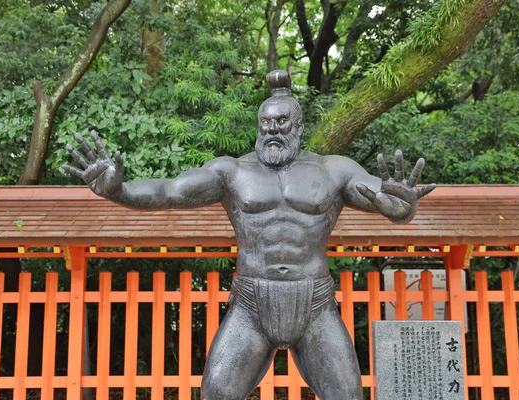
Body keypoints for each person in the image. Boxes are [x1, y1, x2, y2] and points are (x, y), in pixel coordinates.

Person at [63, 70, 435, 400]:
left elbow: (382, 196)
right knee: (217, 393)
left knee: (347, 395)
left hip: (314, 302)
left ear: (299, 127)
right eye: (266, 123)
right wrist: (119, 191)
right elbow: (169, 191)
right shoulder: (233, 172)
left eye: (282, 122)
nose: (272, 129)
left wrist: (402, 207)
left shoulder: (333, 171)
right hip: (252, 304)